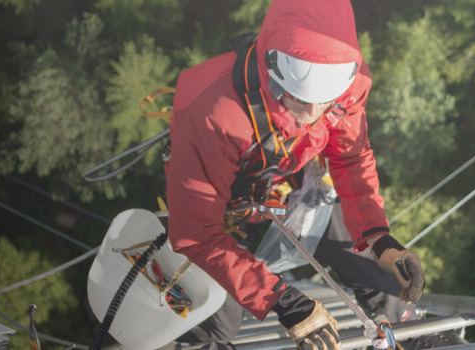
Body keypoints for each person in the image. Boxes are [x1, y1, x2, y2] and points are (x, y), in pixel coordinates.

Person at [163, 0, 425, 349]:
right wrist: (280, 299)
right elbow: (195, 233)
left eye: (325, 103)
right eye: (301, 101)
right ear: (275, 75)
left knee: (380, 276)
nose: (313, 115)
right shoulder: (215, 111)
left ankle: (410, 336)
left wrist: (380, 238)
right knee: (218, 328)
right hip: (220, 212)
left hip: (288, 188)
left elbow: (350, 157)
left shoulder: (346, 85)